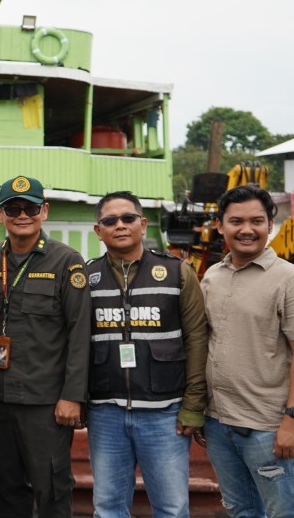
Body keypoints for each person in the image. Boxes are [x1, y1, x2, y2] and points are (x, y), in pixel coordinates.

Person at [199, 185, 294, 518]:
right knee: (241, 510)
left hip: (267, 427)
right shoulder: (213, 276)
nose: (246, 230)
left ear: (270, 224)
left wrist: (293, 420)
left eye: (256, 221)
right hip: (218, 423)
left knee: (285, 513)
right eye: (236, 221)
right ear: (220, 225)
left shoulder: (291, 280)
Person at [0, 175, 89, 518]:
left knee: (51, 487)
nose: (22, 215)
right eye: (13, 208)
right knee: (2, 486)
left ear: (44, 211)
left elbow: (80, 332)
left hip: (46, 402)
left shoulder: (67, 261)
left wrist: (72, 396)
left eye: (31, 208)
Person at [86, 191, 209, 518]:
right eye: (110, 220)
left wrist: (193, 405)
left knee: (171, 508)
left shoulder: (177, 272)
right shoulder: (85, 278)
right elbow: (76, 343)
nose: (120, 225)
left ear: (142, 224)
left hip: (164, 413)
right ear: (98, 231)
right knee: (108, 508)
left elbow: (197, 339)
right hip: (106, 412)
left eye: (128, 218)